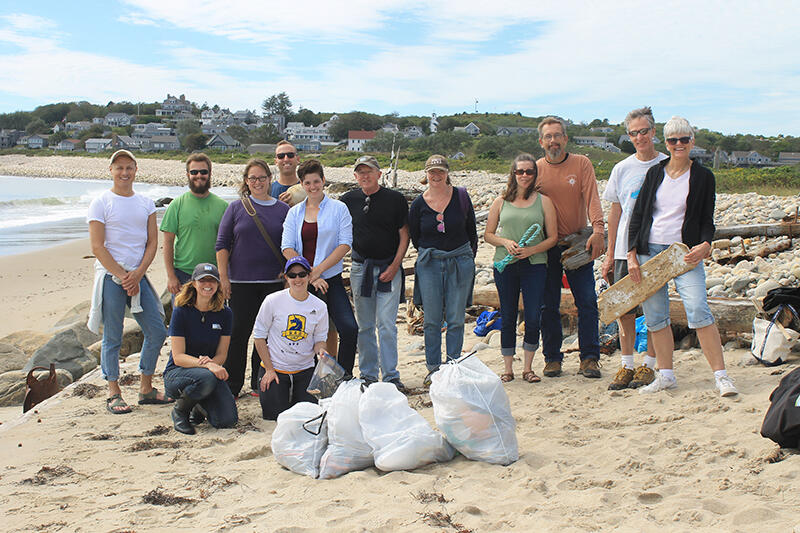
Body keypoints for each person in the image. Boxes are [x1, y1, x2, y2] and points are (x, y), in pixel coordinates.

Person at [627, 116, 737, 397]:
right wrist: (631, 255)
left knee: (698, 307)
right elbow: (638, 216)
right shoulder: (654, 173)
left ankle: (721, 376)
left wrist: (706, 245)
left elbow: (706, 220)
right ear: (665, 143)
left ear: (692, 141)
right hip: (650, 251)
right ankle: (665, 375)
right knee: (655, 316)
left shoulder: (703, 177)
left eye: (684, 139)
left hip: (685, 252)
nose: (678, 144)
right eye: (673, 140)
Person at [86, 149, 170, 414]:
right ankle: (113, 392)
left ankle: (146, 388)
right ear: (111, 170)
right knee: (112, 335)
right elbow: (98, 246)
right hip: (112, 276)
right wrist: (123, 276)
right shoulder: (100, 202)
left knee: (157, 330)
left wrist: (137, 274)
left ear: (136, 170)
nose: (124, 172)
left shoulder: (145, 203)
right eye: (119, 167)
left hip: (138, 274)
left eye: (129, 167)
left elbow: (152, 242)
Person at [601, 107, 666, 390]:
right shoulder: (622, 168)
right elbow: (615, 213)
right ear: (629, 136)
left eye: (644, 131)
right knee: (623, 309)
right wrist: (609, 252)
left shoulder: (667, 164)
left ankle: (648, 365)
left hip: (655, 247)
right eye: (634, 133)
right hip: (622, 251)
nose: (639, 137)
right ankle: (626, 364)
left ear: (653, 132)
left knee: (653, 310)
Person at [536, 117, 605, 379]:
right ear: (541, 142)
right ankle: (552, 358)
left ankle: (589, 358)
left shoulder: (581, 163)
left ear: (565, 138)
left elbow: (592, 199)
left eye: (557, 135)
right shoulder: (536, 169)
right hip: (547, 246)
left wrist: (598, 230)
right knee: (548, 305)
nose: (553, 141)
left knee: (587, 301)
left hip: (578, 242)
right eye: (548, 137)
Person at [215, 158, 289, 397]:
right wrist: (223, 278)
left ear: (270, 179)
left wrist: (288, 272)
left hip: (273, 283)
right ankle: (233, 385)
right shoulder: (236, 207)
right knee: (238, 334)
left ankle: (259, 382)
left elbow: (289, 244)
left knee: (266, 336)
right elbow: (222, 244)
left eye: (262, 177)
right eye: (253, 178)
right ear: (246, 182)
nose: (257, 182)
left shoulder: (282, 209)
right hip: (240, 283)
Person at [484, 153, 557, 383]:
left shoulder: (544, 201)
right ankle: (508, 368)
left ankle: (528, 368)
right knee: (507, 315)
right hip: (506, 264)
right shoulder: (500, 201)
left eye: (529, 171)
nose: (524, 175)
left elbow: (552, 237)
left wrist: (532, 251)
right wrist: (506, 242)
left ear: (535, 174)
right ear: (513, 174)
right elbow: (488, 234)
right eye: (520, 171)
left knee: (533, 315)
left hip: (534, 264)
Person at [281, 159, 358, 377]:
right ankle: (301, 374)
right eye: (307, 183)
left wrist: (318, 271)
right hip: (300, 283)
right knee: (302, 332)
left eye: (316, 181)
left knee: (349, 328)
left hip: (330, 279)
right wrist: (309, 276)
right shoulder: (294, 213)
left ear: (323, 181)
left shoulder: (338, 208)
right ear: (301, 184)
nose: (313, 186)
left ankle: (344, 376)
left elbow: (345, 244)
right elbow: (286, 247)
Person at [341, 155, 410, 390]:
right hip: (360, 268)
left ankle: (391, 376)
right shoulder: (348, 200)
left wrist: (395, 266)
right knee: (365, 325)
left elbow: (404, 235)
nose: (365, 176)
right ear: (355, 176)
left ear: (379, 174)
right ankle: (368, 374)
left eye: (369, 171)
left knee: (387, 324)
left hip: (389, 267)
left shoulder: (395, 199)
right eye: (360, 172)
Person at [408, 155, 477, 386]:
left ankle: (454, 365)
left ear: (448, 173)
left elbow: (471, 232)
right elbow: (416, 238)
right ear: (425, 174)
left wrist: (466, 260)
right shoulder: (418, 203)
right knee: (432, 319)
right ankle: (434, 369)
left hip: (460, 259)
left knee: (457, 318)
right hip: (430, 263)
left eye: (440, 171)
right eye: (432, 172)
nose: (436, 176)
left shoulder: (461, 197)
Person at [163, 263, 237, 434]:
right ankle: (180, 411)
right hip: (179, 372)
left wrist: (211, 365)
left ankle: (198, 403)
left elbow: (221, 354)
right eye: (202, 280)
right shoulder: (181, 311)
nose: (208, 284)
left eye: (212, 280)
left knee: (226, 420)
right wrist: (207, 365)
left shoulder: (225, 313)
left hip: (209, 372)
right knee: (206, 378)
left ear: (218, 284)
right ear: (194, 284)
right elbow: (179, 356)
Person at [253, 256, 329, 420]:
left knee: (307, 416)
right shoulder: (272, 301)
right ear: (286, 277)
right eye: (292, 275)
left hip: (305, 369)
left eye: (302, 274)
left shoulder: (320, 306)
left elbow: (320, 340)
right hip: (276, 369)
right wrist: (269, 369)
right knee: (275, 417)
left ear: (309, 276)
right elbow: (259, 337)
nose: (298, 279)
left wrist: (321, 352)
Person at [160, 153, 228, 296]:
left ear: (210, 174)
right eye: (194, 172)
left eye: (203, 172)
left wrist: (224, 276)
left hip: (213, 276)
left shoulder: (223, 206)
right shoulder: (176, 205)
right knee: (183, 317)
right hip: (183, 275)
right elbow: (167, 243)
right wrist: (171, 276)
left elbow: (229, 244)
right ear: (187, 174)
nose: (199, 175)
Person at [271, 140, 306, 206]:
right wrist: (279, 207)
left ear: (298, 159)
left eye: (290, 155)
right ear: (276, 161)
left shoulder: (308, 187)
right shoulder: (268, 190)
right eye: (281, 156)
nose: (286, 159)